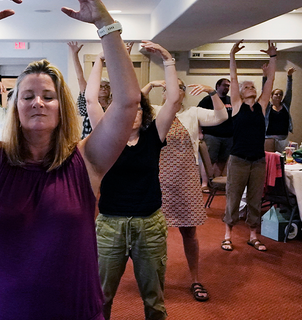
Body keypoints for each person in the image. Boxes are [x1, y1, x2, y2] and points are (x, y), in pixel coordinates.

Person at [0, 0, 141, 318]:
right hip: (2, 309)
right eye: (27, 96)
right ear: (15, 107)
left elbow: (127, 102)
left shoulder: (87, 160)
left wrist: (105, 24)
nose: (37, 102)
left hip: (74, 309)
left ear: (61, 107)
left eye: (48, 96)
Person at [87, 40, 178, 320]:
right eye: (129, 107)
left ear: (145, 112)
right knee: (101, 297)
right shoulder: (107, 137)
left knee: (154, 299)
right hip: (110, 224)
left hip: (148, 223)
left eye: (139, 108)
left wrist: (167, 58)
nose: (134, 112)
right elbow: (90, 99)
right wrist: (101, 60)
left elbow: (174, 100)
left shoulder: (154, 136)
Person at [142, 78, 227, 301]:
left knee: (189, 232)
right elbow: (135, 104)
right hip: (158, 179)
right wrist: (150, 85)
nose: (171, 91)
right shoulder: (156, 111)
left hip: (186, 179)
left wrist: (212, 93)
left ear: (183, 92)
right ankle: (154, 279)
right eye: (167, 87)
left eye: (177, 87)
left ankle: (195, 279)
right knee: (155, 233)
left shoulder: (193, 113)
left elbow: (222, 116)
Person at [221, 39, 276, 252]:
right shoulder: (236, 106)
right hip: (238, 160)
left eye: (252, 85)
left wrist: (273, 58)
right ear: (241, 93)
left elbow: (270, 80)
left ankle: (253, 235)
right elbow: (233, 78)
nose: (250, 87)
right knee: (233, 199)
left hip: (258, 161)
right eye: (246, 86)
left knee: (255, 199)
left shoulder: (262, 106)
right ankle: (228, 235)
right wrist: (232, 55)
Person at [197, 78, 232, 179]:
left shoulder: (230, 100)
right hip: (212, 136)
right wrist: (200, 132)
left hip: (228, 137)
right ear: (218, 86)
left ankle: (216, 181)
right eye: (225, 85)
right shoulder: (207, 100)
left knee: (222, 160)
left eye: (228, 86)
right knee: (208, 160)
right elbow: (198, 117)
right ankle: (204, 183)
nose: (227, 88)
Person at [264, 67, 295, 152]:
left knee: (282, 159)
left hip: (283, 137)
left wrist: (289, 76)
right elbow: (264, 92)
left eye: (280, 94)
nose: (278, 96)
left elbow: (289, 92)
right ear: (271, 96)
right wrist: (265, 77)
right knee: (270, 159)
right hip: (269, 137)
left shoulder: (285, 106)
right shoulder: (267, 108)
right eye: (276, 94)